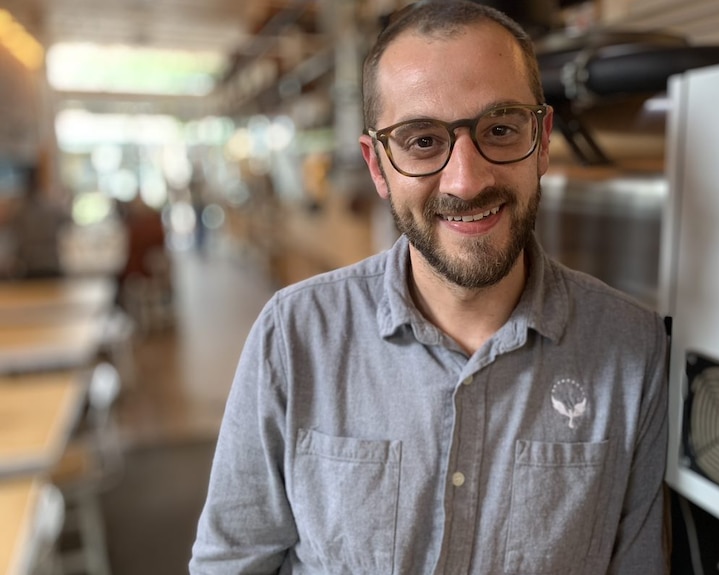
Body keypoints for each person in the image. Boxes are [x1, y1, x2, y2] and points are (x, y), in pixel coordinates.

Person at [190, 1, 669, 574]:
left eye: (498, 129)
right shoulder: (295, 336)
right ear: (377, 165)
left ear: (541, 140)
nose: (466, 181)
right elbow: (232, 562)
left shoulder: (634, 351)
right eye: (422, 141)